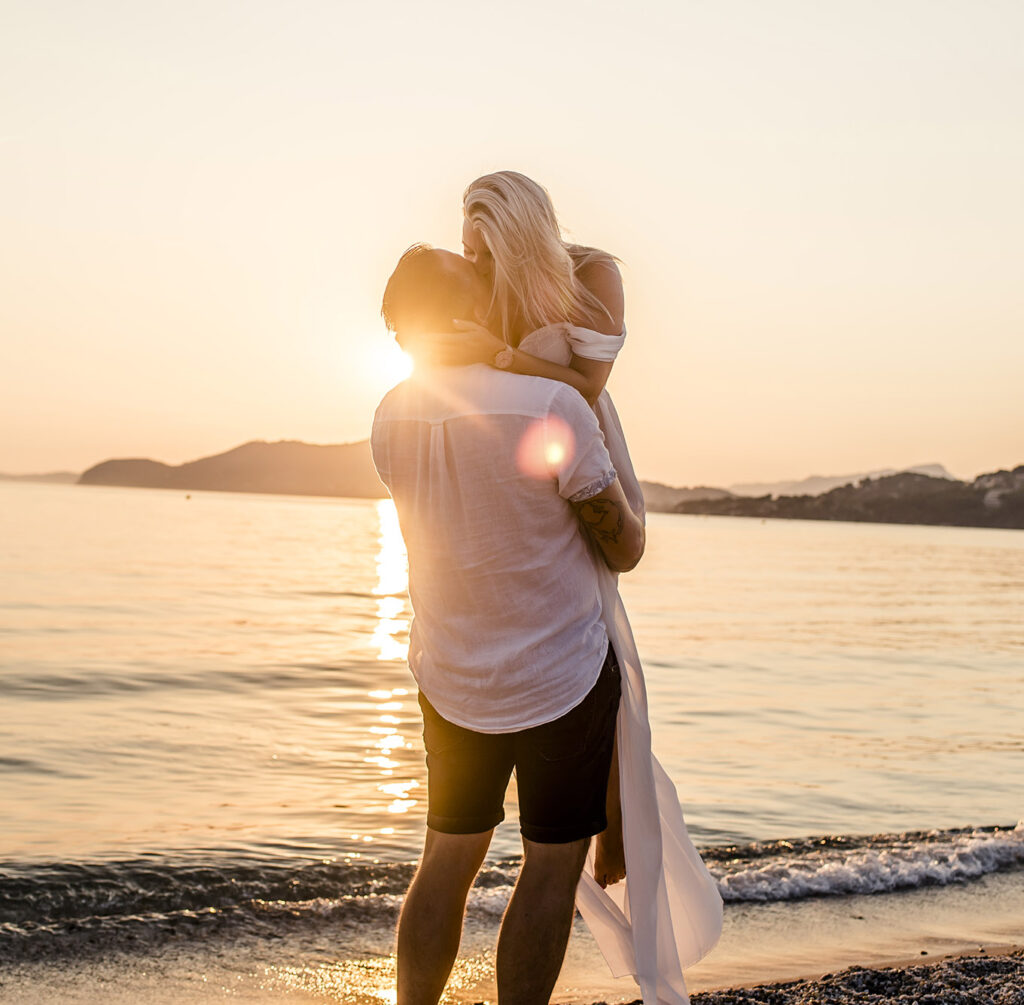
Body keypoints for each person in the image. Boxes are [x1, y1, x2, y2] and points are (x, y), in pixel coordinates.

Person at [421, 171, 723, 1003]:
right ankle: (609, 824)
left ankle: (613, 827)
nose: (475, 262)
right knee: (597, 655)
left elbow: (586, 384)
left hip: (577, 447)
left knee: (603, 647)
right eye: (468, 247)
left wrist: (499, 357)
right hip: (515, 473)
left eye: (487, 247)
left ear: (523, 233)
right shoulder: (480, 291)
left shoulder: (593, 274)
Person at [372, 244, 646, 1005]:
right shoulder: (551, 406)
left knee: (445, 859)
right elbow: (625, 549)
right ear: (471, 309)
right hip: (559, 678)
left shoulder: (390, 413)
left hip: (454, 676)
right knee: (550, 868)